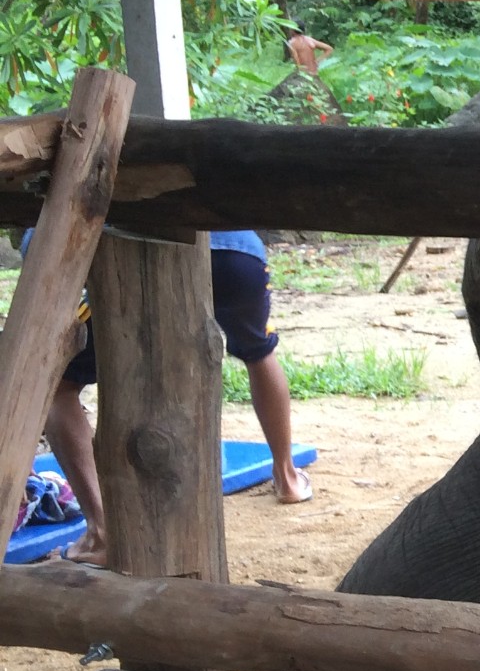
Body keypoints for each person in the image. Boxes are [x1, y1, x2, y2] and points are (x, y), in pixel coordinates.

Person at [29, 227, 311, 566]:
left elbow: (44, 243)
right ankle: (287, 477)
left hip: (135, 258)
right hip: (236, 254)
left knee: (57, 385)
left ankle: (102, 529)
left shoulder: (75, 178)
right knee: (259, 351)